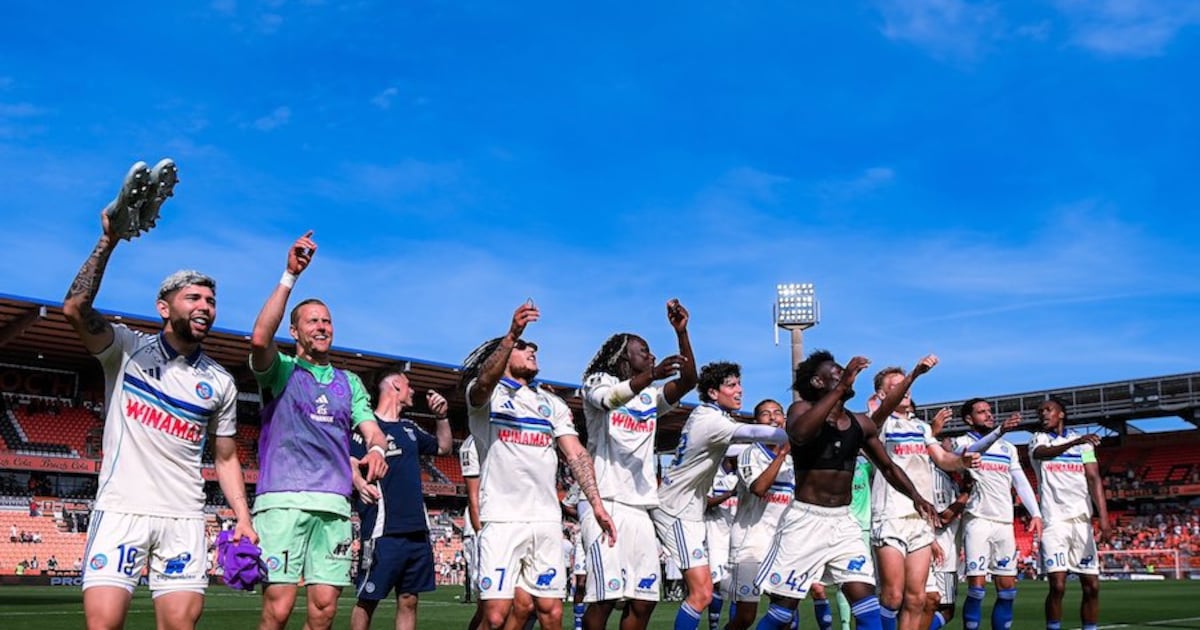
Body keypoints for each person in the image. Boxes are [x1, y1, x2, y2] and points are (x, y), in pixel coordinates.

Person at [63, 163, 255, 630]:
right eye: (194, 299)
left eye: (210, 301)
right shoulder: (126, 349)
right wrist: (108, 240)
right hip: (121, 508)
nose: (205, 308)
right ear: (164, 307)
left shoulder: (220, 382)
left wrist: (243, 518)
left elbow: (226, 458)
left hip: (184, 516)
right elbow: (74, 309)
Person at [249, 231, 390, 630]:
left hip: (333, 505)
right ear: (294, 332)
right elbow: (260, 338)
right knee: (277, 610)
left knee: (325, 612)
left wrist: (376, 450)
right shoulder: (281, 371)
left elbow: (371, 430)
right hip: (283, 502)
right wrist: (290, 276)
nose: (322, 327)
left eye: (327, 321)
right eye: (312, 321)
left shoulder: (349, 382)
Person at [751, 351, 939, 630]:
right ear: (817, 382)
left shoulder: (860, 422)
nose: (849, 379)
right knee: (782, 613)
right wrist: (841, 387)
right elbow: (800, 434)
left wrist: (916, 497)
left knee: (869, 612)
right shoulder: (800, 411)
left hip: (844, 523)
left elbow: (888, 467)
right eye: (839, 374)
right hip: (805, 522)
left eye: (847, 374)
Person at [461, 302, 616, 630]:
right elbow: (485, 381)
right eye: (523, 347)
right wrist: (512, 334)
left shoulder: (552, 404)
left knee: (551, 611)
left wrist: (598, 505)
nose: (531, 349)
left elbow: (576, 454)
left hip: (545, 520)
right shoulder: (484, 396)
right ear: (502, 356)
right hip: (502, 519)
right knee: (494, 616)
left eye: (533, 346)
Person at [577, 299, 697, 630]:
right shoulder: (596, 381)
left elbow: (688, 382)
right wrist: (653, 375)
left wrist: (682, 334)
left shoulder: (649, 398)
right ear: (624, 356)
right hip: (605, 503)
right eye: (643, 351)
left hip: (640, 506)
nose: (651, 356)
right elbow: (609, 399)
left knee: (644, 600)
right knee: (604, 598)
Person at [653, 361, 788, 630]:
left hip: (688, 510)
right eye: (731, 385)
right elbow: (753, 433)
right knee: (702, 594)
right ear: (713, 393)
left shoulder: (712, 417)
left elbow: (741, 446)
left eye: (739, 384)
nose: (740, 390)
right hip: (677, 509)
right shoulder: (710, 420)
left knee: (704, 593)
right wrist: (801, 432)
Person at [870, 365, 976, 630]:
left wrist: (961, 461)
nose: (905, 389)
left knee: (918, 598)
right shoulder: (878, 423)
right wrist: (914, 373)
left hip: (920, 518)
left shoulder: (921, 427)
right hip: (890, 513)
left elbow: (942, 458)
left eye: (906, 384)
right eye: (896, 386)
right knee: (893, 596)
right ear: (882, 395)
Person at [348, 369, 453, 630]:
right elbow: (349, 460)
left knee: (409, 600)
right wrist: (360, 483)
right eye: (409, 385)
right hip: (383, 529)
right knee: (367, 598)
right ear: (395, 385)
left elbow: (443, 447)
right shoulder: (367, 426)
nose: (413, 391)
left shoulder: (409, 428)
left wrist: (442, 417)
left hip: (416, 530)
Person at [951, 400, 1042, 630]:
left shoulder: (1007, 448)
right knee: (977, 589)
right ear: (968, 419)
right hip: (977, 520)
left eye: (990, 411)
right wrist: (1000, 430)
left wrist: (1036, 513)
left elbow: (1020, 481)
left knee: (1008, 590)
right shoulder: (961, 443)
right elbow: (970, 453)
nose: (989, 415)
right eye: (982, 412)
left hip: (1004, 522)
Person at [1029, 397, 1109, 630]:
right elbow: (1043, 453)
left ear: (1061, 414)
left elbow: (1094, 479)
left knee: (1092, 586)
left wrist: (1104, 519)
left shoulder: (1085, 446)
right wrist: (1075, 442)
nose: (1043, 414)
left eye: (1048, 409)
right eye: (1040, 411)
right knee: (1058, 585)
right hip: (1054, 521)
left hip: (1081, 521)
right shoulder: (1038, 439)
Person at [723, 399, 793, 630]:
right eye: (766, 414)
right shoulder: (749, 454)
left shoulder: (796, 458)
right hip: (750, 543)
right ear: (756, 423)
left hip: (782, 546)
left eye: (778, 412)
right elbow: (759, 488)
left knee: (785, 614)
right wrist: (781, 455)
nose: (773, 417)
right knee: (745, 617)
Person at [705, 454, 739, 630]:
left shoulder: (745, 473)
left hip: (738, 537)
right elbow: (705, 503)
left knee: (737, 589)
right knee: (717, 585)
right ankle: (714, 626)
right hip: (716, 536)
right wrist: (730, 494)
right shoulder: (711, 473)